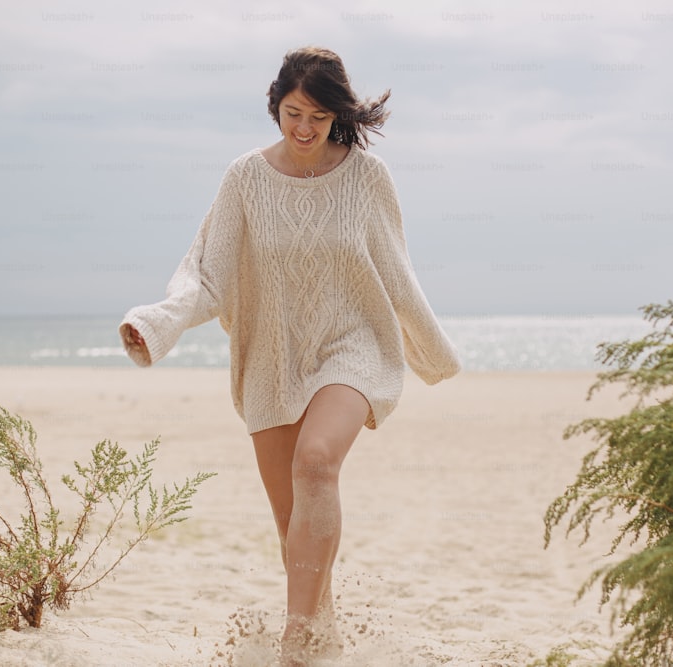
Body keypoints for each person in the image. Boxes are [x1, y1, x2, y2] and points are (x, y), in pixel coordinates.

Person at [119, 46, 460, 666]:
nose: (304, 129)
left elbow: (395, 272)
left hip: (353, 345)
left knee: (317, 463)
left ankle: (293, 647)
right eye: (293, 113)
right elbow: (208, 276)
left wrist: (430, 351)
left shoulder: (367, 177)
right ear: (275, 105)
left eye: (320, 117)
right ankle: (324, 637)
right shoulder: (244, 178)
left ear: (338, 117)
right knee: (291, 525)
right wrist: (156, 322)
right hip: (272, 356)